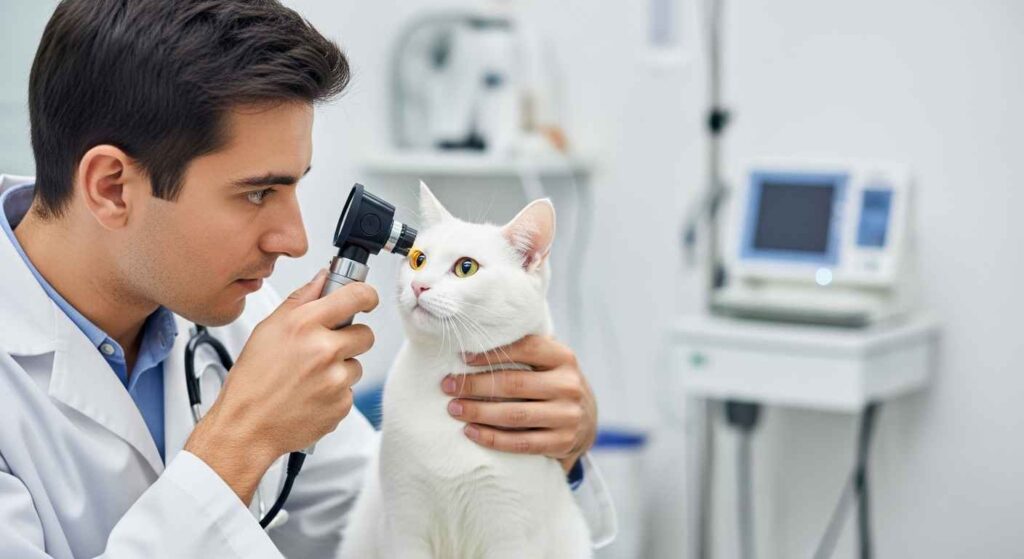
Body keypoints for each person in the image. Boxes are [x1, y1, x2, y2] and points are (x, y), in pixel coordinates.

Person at [0, 1, 615, 558]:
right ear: (111, 187)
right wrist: (240, 439)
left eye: (294, 186)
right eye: (258, 192)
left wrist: (552, 451)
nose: (294, 240)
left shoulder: (229, 314)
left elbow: (374, 515)